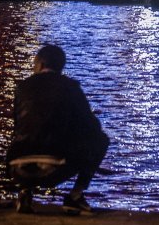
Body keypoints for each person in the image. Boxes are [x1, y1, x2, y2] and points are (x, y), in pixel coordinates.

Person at [6, 44, 109, 214]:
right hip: (55, 167)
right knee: (101, 140)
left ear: (39, 65)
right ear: (60, 67)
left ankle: (25, 192)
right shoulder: (70, 88)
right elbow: (93, 128)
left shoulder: (21, 88)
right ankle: (75, 196)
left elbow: (18, 127)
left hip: (16, 166)